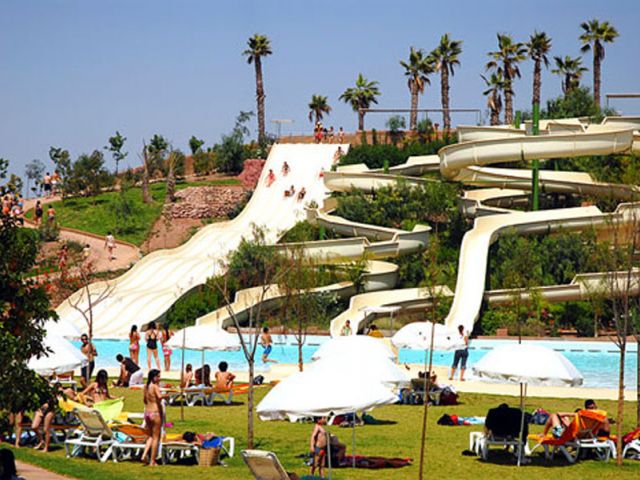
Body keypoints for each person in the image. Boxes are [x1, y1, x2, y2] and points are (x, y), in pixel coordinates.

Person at [141, 369, 164, 467]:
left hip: (147, 413)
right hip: (155, 413)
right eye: (158, 376)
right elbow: (159, 397)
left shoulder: (146, 386)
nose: (159, 378)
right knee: (155, 438)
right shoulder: (155, 386)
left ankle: (144, 455)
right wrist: (166, 396)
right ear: (154, 377)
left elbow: (144, 400)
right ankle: (152, 461)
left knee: (150, 436)